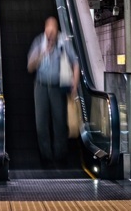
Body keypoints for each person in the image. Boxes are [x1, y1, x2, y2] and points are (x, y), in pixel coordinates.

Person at [27, 17, 79, 163]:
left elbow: (75, 62)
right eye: (47, 29)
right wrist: (43, 53)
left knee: (60, 122)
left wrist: (75, 83)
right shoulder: (39, 42)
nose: (50, 33)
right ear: (45, 30)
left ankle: (61, 155)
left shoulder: (64, 42)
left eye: (53, 29)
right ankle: (46, 156)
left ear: (57, 30)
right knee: (41, 123)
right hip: (41, 86)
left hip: (58, 87)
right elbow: (30, 67)